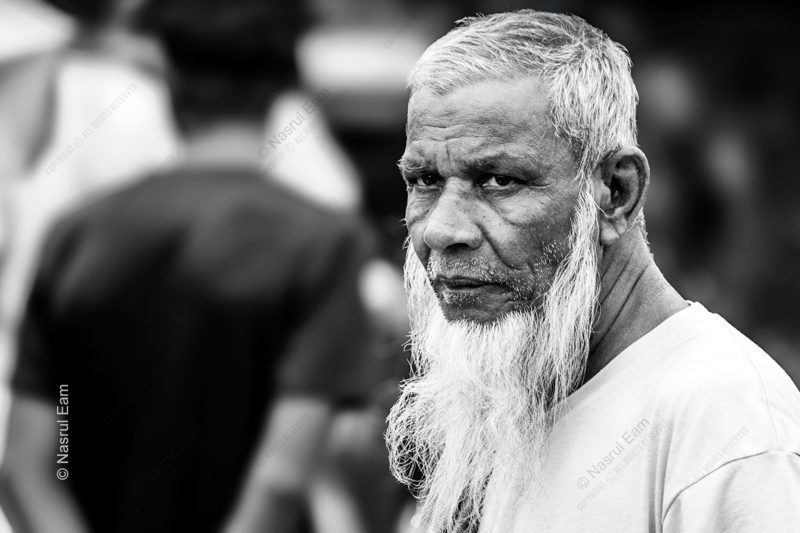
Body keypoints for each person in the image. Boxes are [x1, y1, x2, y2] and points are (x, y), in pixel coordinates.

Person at [385, 10, 800, 533]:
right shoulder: (497, 401)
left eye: (498, 180)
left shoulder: (723, 413)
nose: (441, 230)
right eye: (424, 180)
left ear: (615, 194)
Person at [0, 1, 374, 532]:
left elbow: (28, 466)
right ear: (281, 92)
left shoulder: (74, 233)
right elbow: (282, 479)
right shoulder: (323, 242)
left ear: (170, 89)